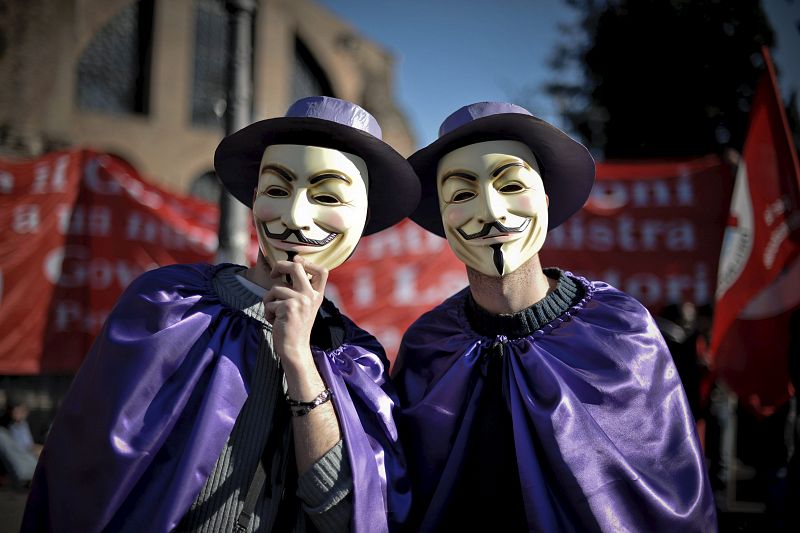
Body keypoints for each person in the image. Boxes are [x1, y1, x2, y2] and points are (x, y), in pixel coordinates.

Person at [22, 96, 419, 533]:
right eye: (276, 190)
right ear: (254, 199)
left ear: (360, 218)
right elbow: (83, 474)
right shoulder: (168, 302)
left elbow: (348, 516)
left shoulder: (357, 359)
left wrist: (302, 362)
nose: (295, 216)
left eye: (327, 195)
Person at [392, 102, 716, 532]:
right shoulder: (428, 345)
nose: (490, 211)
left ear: (544, 200)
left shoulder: (619, 328)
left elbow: (666, 496)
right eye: (462, 193)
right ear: (443, 214)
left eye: (511, 185)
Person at [0, 394, 40, 488]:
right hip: (22, 464)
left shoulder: (25, 425)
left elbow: (29, 445)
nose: (18, 412)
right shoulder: (7, 428)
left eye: (22, 410)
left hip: (29, 460)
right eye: (15, 410)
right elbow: (21, 448)